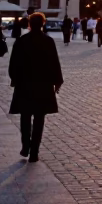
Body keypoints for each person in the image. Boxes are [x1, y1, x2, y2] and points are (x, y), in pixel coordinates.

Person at [8, 11, 63, 162]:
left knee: (25, 116)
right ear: (43, 23)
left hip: (25, 85)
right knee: (39, 118)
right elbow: (54, 63)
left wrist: (14, 78)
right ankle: (34, 152)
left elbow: (13, 63)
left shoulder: (21, 41)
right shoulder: (48, 41)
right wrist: (57, 81)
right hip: (43, 86)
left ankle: (26, 146)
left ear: (30, 24)